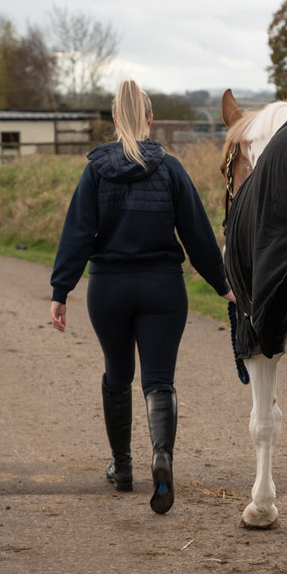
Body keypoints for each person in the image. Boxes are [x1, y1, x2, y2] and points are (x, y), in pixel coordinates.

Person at [50, 79, 235, 515]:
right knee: (159, 380)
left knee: (117, 374)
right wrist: (222, 284)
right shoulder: (170, 169)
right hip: (162, 288)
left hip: (109, 288)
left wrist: (61, 290)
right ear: (150, 119)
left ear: (115, 119)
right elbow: (198, 235)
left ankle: (124, 467)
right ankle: (162, 458)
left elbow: (78, 233)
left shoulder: (96, 170)